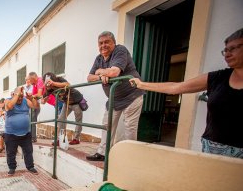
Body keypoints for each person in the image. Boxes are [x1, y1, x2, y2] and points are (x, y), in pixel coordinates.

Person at [130, 28, 243, 159]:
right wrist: (141, 84)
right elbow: (176, 87)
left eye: (233, 48)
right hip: (214, 147)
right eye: (226, 50)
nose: (227, 54)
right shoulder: (217, 78)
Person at [86, 31, 145, 161]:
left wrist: (100, 71)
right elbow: (89, 77)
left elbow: (114, 72)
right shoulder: (99, 58)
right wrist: (101, 76)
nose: (103, 45)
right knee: (107, 124)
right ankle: (102, 153)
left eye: (107, 42)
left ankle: (131, 156)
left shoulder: (120, 50)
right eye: (101, 43)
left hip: (132, 95)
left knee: (130, 127)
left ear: (114, 42)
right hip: (114, 98)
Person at [4, 86, 40, 176]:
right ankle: (12, 168)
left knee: (28, 151)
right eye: (18, 96)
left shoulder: (25, 100)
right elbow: (9, 106)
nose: (20, 98)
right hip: (11, 134)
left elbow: (36, 106)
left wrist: (31, 98)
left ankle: (30, 166)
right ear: (14, 94)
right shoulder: (8, 100)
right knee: (11, 152)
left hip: (25, 133)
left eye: (21, 96)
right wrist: (17, 94)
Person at [43, 72, 85, 145]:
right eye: (45, 81)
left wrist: (53, 83)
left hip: (76, 101)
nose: (47, 83)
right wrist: (36, 98)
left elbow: (68, 84)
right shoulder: (49, 89)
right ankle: (61, 139)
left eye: (48, 81)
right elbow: (42, 101)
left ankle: (76, 139)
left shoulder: (59, 79)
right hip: (67, 103)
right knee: (61, 119)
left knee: (78, 120)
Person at [28, 72, 45, 142]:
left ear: (33, 78)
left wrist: (32, 96)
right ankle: (32, 137)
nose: (29, 81)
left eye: (30, 80)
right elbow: (35, 95)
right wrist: (31, 95)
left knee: (32, 121)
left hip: (36, 106)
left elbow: (39, 94)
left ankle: (33, 138)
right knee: (31, 121)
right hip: (34, 105)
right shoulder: (34, 85)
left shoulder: (40, 81)